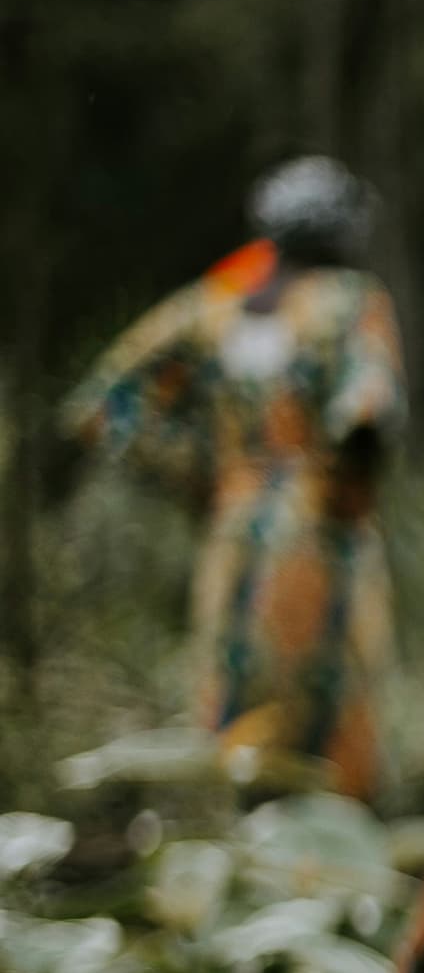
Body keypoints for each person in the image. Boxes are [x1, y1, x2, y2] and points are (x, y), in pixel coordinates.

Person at [60, 158, 405, 798]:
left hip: (235, 529)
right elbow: (368, 410)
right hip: (320, 539)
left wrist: (196, 471)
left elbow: (101, 408)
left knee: (232, 706)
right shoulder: (353, 302)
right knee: (329, 723)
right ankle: (326, 862)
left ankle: (231, 843)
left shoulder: (214, 305)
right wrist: (342, 481)